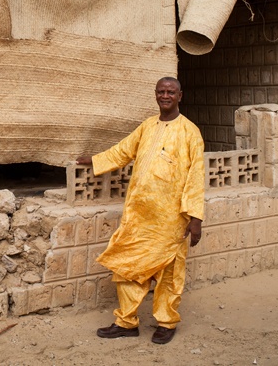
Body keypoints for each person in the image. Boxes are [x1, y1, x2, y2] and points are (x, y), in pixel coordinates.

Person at [76, 77, 204, 344]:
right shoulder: (147, 126)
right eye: (161, 91)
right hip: (139, 216)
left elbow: (196, 177)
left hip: (171, 219)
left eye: (171, 92)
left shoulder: (190, 132)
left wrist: (195, 218)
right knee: (127, 267)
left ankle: (166, 323)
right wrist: (95, 160)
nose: (165, 96)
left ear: (180, 95)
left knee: (169, 273)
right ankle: (126, 322)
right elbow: (123, 151)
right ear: (155, 95)